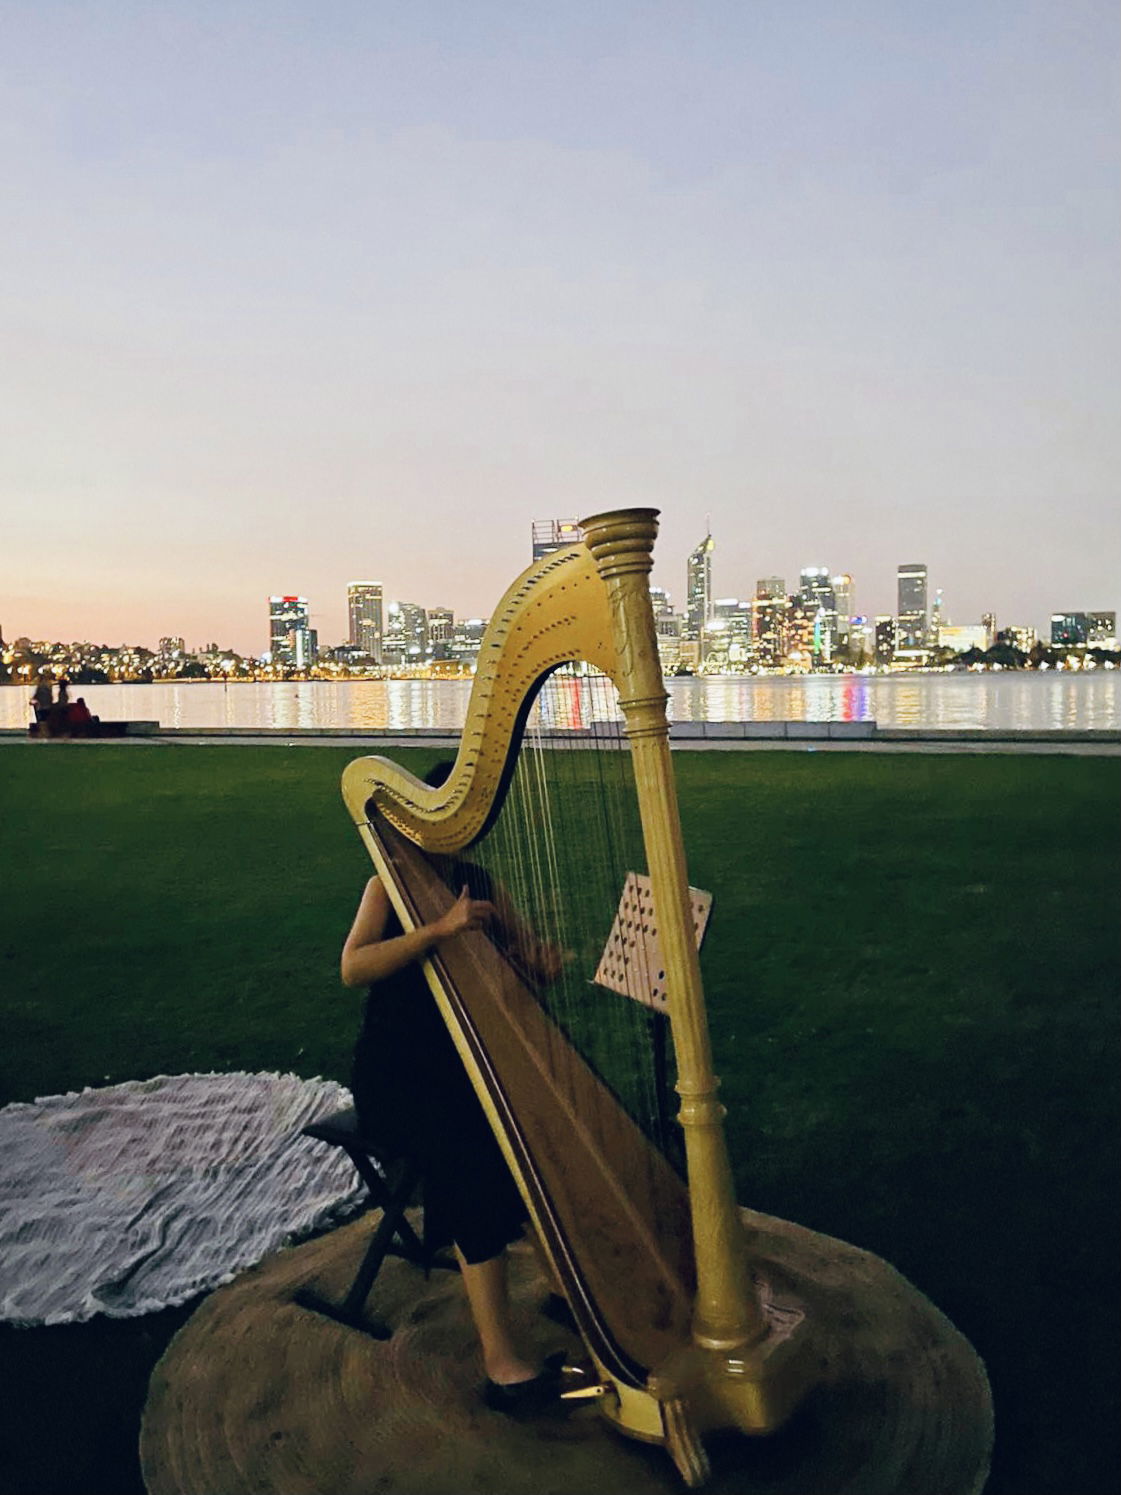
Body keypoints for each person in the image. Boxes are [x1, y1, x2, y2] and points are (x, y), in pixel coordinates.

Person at [341, 812, 568, 1412]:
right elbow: (352, 967)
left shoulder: (481, 882)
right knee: (470, 1155)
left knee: (526, 1131)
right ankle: (501, 1364)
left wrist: (538, 964)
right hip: (397, 1077)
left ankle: (566, 1283)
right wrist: (438, 929)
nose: (456, 846)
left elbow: (519, 959)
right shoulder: (384, 887)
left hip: (465, 1063)